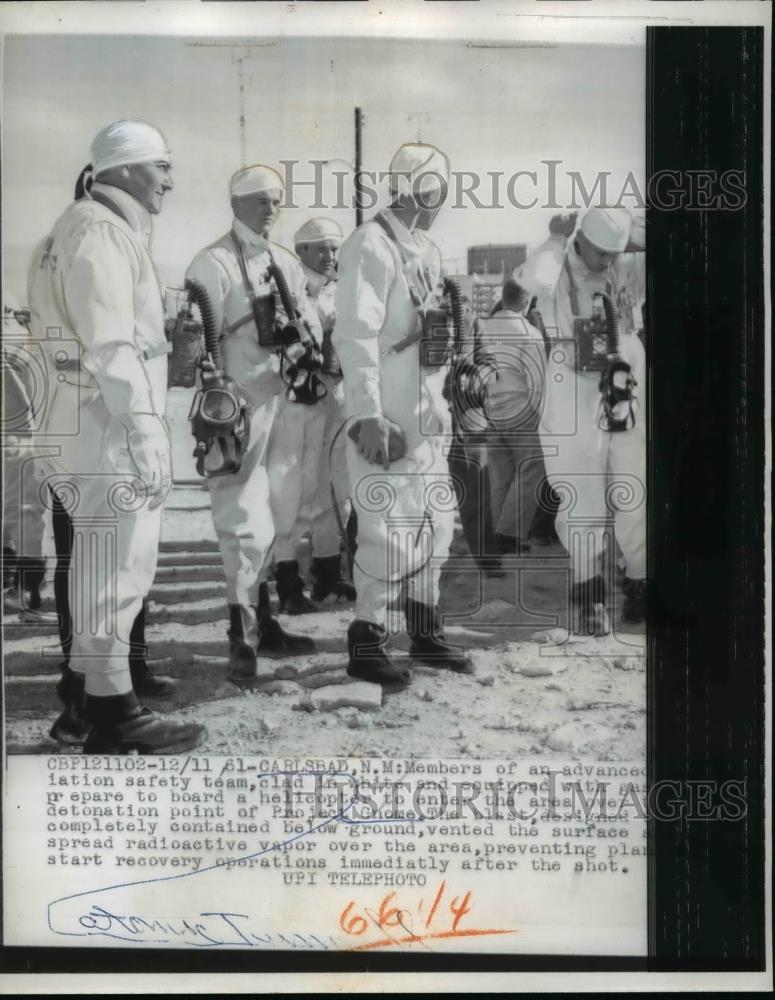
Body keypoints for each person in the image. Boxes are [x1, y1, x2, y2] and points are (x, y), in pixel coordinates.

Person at [27, 119, 205, 752]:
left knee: (94, 565)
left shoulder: (70, 227)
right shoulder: (102, 232)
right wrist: (145, 429)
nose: (170, 179)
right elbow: (111, 345)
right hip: (108, 425)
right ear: (127, 168)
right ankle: (114, 713)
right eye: (162, 165)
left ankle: (81, 704)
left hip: (78, 421)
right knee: (118, 568)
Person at [333, 141, 473, 687]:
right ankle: (366, 639)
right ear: (427, 189)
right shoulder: (369, 245)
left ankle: (425, 630)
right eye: (439, 189)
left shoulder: (426, 250)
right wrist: (367, 412)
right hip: (387, 410)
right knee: (386, 528)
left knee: (434, 522)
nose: (441, 200)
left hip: (426, 407)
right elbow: (355, 333)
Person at [185, 164, 316, 680]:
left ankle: (266, 619)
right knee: (240, 522)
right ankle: (242, 638)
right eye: (260, 199)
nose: (271, 207)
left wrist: (305, 336)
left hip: (285, 400)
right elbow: (197, 339)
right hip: (237, 408)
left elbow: (308, 322)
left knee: (281, 514)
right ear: (235, 202)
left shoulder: (283, 259)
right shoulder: (212, 260)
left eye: (277, 199)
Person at [519, 206, 646, 633]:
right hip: (573, 378)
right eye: (599, 250)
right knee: (581, 486)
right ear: (579, 240)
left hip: (624, 372)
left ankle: (640, 582)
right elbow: (530, 282)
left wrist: (632, 234)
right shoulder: (556, 264)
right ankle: (587, 590)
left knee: (635, 480)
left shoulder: (625, 262)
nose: (607, 259)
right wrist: (555, 238)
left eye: (615, 251)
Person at [293, 217, 356, 604]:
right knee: (307, 492)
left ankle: (331, 572)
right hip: (302, 400)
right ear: (301, 251)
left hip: (340, 395)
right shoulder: (290, 289)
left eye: (335, 249)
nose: (330, 256)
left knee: (342, 489)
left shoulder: (342, 290)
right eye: (322, 248)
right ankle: (292, 575)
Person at [478, 278, 547, 555]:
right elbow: (537, 382)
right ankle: (508, 534)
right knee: (532, 470)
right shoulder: (529, 333)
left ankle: (498, 532)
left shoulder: (481, 329)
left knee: (500, 477)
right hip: (521, 410)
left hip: (490, 409)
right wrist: (542, 418)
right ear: (527, 300)